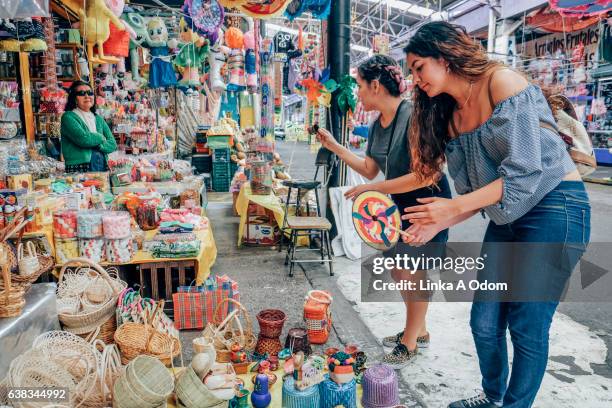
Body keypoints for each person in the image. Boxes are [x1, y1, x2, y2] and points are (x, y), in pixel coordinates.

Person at [402, 22, 590, 408]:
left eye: (419, 67)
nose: (415, 79)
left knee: (526, 323)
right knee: (484, 323)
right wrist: (434, 222)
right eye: (411, 72)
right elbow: (474, 198)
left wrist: (451, 208)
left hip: (556, 206)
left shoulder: (500, 82)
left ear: (444, 56)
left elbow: (525, 171)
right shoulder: (450, 117)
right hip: (508, 218)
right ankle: (493, 398)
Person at [316, 54, 452, 369]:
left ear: (376, 85)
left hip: (428, 205)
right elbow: (369, 168)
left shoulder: (413, 115)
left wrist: (374, 189)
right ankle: (420, 330)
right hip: (398, 206)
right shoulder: (377, 125)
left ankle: (409, 342)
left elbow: (426, 174)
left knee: (412, 273)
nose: (359, 94)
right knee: (399, 271)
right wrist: (335, 146)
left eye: (360, 86)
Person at [61, 81, 117, 173]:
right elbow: (83, 139)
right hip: (79, 167)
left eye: (90, 93)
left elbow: (113, 144)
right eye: (82, 93)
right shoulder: (68, 117)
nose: (87, 96)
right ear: (74, 98)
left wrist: (97, 144)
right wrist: (101, 137)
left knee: (102, 187)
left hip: (101, 164)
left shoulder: (98, 118)